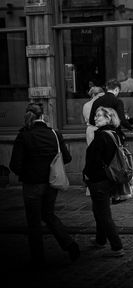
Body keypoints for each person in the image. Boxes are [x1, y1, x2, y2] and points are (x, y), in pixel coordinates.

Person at [9, 103, 80, 266]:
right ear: (43, 116)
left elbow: (15, 165)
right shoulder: (54, 134)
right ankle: (70, 244)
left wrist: (27, 172)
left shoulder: (24, 135)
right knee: (48, 215)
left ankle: (38, 258)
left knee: (33, 222)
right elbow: (67, 158)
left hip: (32, 184)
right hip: (52, 182)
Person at [83, 106, 126, 257]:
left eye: (99, 116)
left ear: (108, 118)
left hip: (99, 180)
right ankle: (100, 240)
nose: (95, 118)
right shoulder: (115, 133)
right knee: (98, 210)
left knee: (103, 214)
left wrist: (88, 175)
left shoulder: (102, 136)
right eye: (95, 115)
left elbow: (94, 160)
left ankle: (117, 246)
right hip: (109, 178)